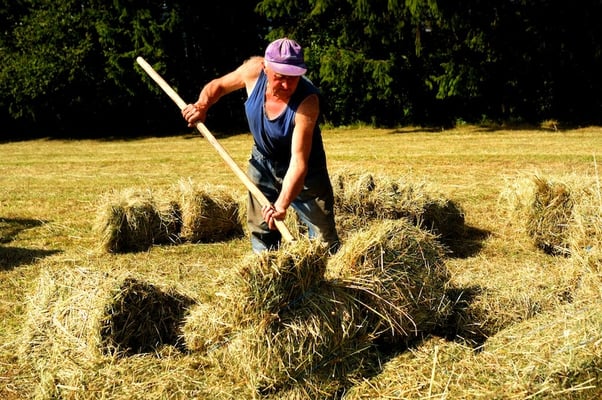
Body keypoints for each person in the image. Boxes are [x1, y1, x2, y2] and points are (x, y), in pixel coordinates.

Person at [182, 37, 340, 254]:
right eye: (280, 77)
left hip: (305, 170)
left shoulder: (308, 102)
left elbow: (299, 162)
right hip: (262, 162)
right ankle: (266, 270)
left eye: (293, 79)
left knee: (323, 237)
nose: (286, 85)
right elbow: (218, 86)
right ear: (266, 68)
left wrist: (282, 204)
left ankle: (327, 281)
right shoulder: (253, 72)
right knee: (261, 227)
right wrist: (202, 106)